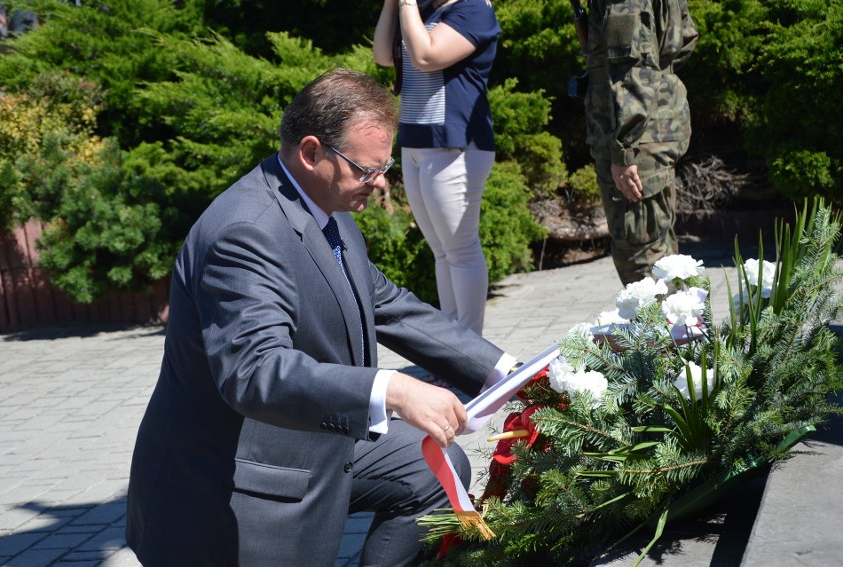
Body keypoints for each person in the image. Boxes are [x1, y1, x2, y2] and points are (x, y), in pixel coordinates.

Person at [125, 68, 516, 567]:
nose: (380, 184)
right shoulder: (246, 233)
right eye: (367, 169)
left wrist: (507, 371)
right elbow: (254, 372)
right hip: (234, 480)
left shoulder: (327, 208)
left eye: (385, 166)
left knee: (432, 472)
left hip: (302, 432)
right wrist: (392, 389)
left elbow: (385, 302)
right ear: (311, 153)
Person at [373, 0, 500, 336]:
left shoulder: (474, 10)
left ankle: (472, 351)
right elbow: (384, 56)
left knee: (460, 249)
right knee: (442, 252)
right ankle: (456, 348)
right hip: (417, 139)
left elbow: (426, 57)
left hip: (454, 144)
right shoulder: (424, 9)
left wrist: (407, 4)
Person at [583, 0, 699, 285]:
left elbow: (632, 71)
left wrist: (624, 150)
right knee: (660, 253)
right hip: (654, 131)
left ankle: (659, 326)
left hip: (637, 140)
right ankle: (675, 325)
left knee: (641, 259)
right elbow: (684, 39)